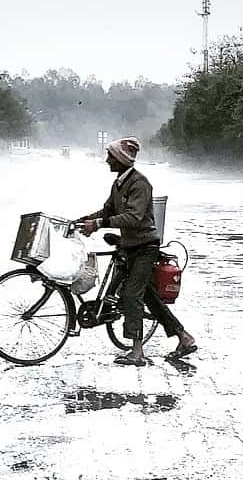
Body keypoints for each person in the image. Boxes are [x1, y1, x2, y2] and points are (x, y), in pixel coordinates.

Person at [77, 137, 197, 366]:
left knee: (131, 295)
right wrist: (84, 220)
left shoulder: (140, 183)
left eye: (110, 156)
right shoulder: (119, 183)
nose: (106, 160)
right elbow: (107, 210)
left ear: (121, 159)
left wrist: (99, 225)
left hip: (145, 248)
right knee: (150, 299)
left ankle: (137, 353)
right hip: (129, 246)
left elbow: (134, 217)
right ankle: (184, 337)